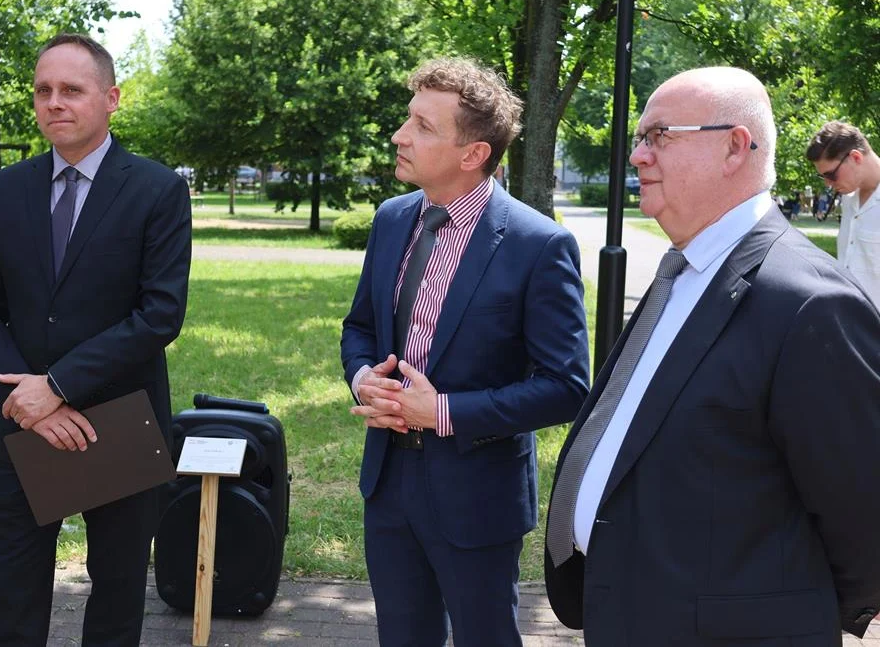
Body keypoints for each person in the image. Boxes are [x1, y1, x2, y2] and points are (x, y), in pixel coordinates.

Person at [544, 67, 880, 645]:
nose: (638, 156)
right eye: (640, 139)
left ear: (734, 147)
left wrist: (777, 615)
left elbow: (864, 519)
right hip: (629, 614)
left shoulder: (811, 302)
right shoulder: (685, 269)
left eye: (659, 136)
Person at [341, 58, 590, 646]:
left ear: (473, 153)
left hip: (478, 493)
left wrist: (443, 411)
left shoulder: (539, 244)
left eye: (423, 127)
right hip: (388, 481)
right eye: (408, 118)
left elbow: (566, 386)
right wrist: (363, 377)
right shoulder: (392, 219)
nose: (399, 135)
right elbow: (360, 327)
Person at [0, 33, 192, 645]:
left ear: (111, 99)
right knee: (12, 594)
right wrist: (32, 402)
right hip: (24, 420)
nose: (54, 102)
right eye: (43, 90)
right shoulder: (5, 189)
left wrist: (57, 386)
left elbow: (159, 314)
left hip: (120, 417)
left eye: (71, 90)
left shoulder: (158, 189)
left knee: (116, 598)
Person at [806, 121, 880, 306]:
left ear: (855, 157)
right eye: (823, 177)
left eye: (831, 175)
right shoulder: (849, 197)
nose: (828, 184)